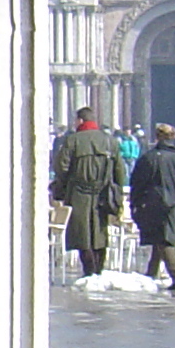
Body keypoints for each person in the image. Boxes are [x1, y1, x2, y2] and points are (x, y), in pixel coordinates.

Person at [49, 107, 127, 280]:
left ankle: (89, 271)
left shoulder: (73, 140)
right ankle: (98, 269)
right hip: (103, 192)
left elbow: (61, 166)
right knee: (100, 231)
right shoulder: (110, 141)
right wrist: (118, 192)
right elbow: (120, 171)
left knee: (81, 232)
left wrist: (61, 186)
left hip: (79, 192)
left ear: (80, 121)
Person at [128, 122, 175, 288]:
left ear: (157, 137)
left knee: (162, 241)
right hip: (174, 204)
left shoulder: (148, 158)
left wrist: (135, 204)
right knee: (163, 238)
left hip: (152, 203)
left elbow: (137, 183)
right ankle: (151, 273)